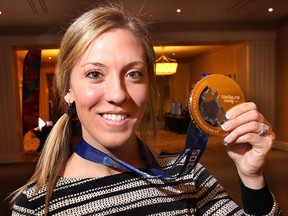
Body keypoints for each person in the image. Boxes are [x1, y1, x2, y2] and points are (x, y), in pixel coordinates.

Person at [11, 5, 281, 216]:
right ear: (68, 89)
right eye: (94, 73)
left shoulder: (187, 174)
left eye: (133, 73)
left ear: (148, 85)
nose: (118, 94)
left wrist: (251, 177)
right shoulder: (35, 205)